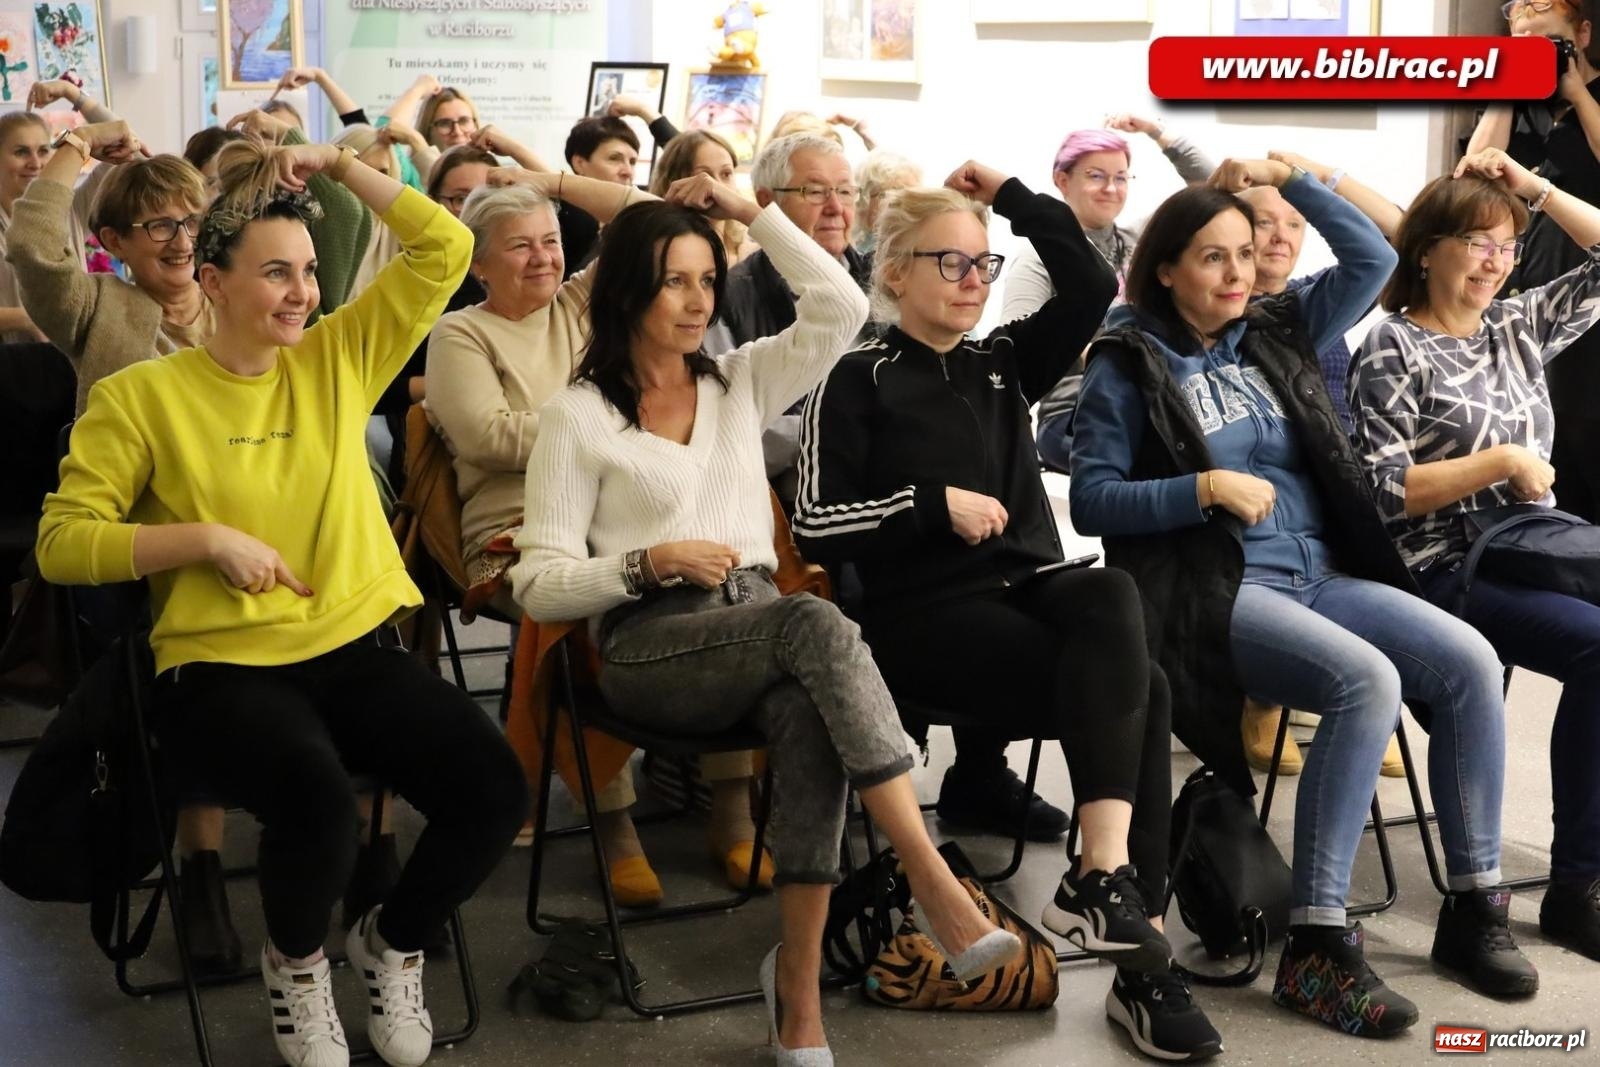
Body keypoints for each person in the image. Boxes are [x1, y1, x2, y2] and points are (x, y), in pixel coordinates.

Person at [35, 135, 527, 1067]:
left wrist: (343, 168)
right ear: (212, 283)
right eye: (275, 272)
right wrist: (202, 540)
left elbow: (445, 249)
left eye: (307, 270)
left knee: (491, 785)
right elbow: (62, 544)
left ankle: (392, 941)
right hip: (216, 665)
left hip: (350, 647)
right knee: (317, 804)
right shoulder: (143, 398)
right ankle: (297, 966)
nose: (302, 291)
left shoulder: (336, 356)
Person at [511, 172, 1021, 1065]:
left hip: (756, 625)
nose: (697, 298)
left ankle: (796, 1001)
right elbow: (538, 585)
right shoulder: (578, 416)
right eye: (675, 279)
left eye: (708, 279)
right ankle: (930, 877)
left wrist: (750, 212)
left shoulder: (737, 382)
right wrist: (645, 562)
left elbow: (833, 301)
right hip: (648, 642)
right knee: (812, 624)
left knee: (806, 713)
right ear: (628, 286)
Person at [1072, 158, 1529, 1035]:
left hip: (1320, 571)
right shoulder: (1126, 364)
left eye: (1248, 252)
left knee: (1469, 659)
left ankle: (1474, 909)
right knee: (1367, 681)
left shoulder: (1273, 329)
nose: (1240, 272)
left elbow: (1371, 257)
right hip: (1216, 587)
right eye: (1214, 257)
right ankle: (1319, 944)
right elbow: (1092, 499)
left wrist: (1299, 178)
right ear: (1164, 268)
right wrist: (1201, 488)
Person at [793, 162, 1220, 1061]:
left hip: (1030, 592)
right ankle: (1142, 961)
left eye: (982, 264)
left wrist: (1012, 196)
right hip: (921, 621)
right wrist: (927, 503)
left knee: (1110, 594)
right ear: (895, 271)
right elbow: (813, 522)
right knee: (1137, 685)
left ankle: (1101, 876)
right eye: (949, 263)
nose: (973, 282)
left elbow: (1093, 277)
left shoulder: (999, 364)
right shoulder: (856, 376)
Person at [1351, 145, 1600, 966]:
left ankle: (1580, 881)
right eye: (1476, 243)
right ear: (1427, 249)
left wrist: (1535, 186)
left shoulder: (1517, 322)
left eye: (1507, 246)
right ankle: (1570, 886)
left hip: (1531, 547)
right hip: (1443, 562)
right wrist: (1497, 463)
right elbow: (1383, 491)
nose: (1495, 262)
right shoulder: (1392, 346)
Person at [1231, 151, 1405, 778]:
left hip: (1335, 476)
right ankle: (1263, 696)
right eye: (1264, 223)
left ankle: (1370, 703)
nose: (1280, 236)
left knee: (1371, 537)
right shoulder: (1211, 320)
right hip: (1264, 491)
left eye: (1294, 224)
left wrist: (1304, 181)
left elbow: (1388, 243)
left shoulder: (1314, 300)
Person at [1018, 115, 1216, 473]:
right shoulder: (1037, 259)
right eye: (1096, 176)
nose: (1111, 188)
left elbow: (1211, 189)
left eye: (1120, 177)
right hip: (1073, 414)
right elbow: (1018, 346)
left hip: (1156, 400)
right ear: (1062, 180)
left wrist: (1157, 132)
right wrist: (1095, 353)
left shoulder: (1139, 243)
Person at [1466, 0, 1600, 523]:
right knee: (1547, 436)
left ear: (1581, 35)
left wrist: (1575, 92)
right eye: (1521, 42)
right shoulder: (1518, 108)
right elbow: (1474, 174)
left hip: (1591, 286)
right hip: (1527, 293)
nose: (1535, 54)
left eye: (1547, 42)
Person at [647, 128, 755, 264]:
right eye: (704, 176)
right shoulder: (659, 252)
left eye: (726, 174)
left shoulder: (752, 249)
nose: (718, 186)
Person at [556, 115, 641, 277]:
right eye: (615, 159)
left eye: (632, 162)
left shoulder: (636, 223)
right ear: (579, 163)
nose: (628, 171)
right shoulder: (557, 218)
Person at [852, 149, 921, 256]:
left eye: (911, 193)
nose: (904, 202)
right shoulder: (856, 257)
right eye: (890, 193)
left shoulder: (922, 247)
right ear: (863, 199)